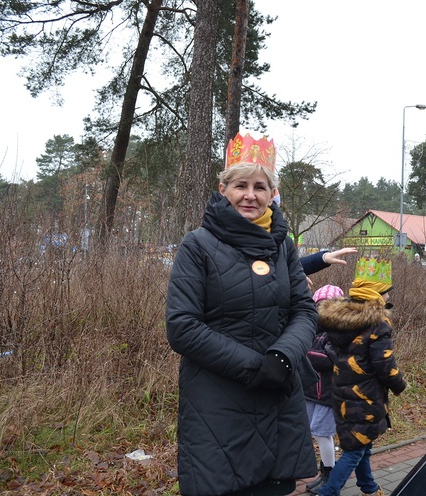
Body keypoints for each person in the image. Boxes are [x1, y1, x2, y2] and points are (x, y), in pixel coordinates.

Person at [165, 133, 318, 496]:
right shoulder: (197, 245)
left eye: (260, 186)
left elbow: (304, 310)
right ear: (223, 188)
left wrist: (281, 358)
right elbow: (182, 327)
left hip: (278, 395)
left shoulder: (283, 246)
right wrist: (256, 367)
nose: (250, 195)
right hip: (217, 404)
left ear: (272, 194)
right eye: (241, 185)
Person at [311, 258, 407, 496]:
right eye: (385, 293)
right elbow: (385, 365)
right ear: (375, 294)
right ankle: (328, 492)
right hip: (364, 395)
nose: (387, 298)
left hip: (342, 391)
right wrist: (399, 384)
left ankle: (369, 487)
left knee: (361, 443)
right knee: (355, 449)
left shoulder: (342, 318)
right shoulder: (377, 324)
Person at [304, 284, 344, 494]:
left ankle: (330, 476)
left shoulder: (339, 332)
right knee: (314, 431)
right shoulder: (315, 328)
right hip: (311, 390)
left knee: (322, 433)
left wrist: (304, 354)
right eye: (319, 306)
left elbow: (332, 360)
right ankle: (323, 473)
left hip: (329, 393)